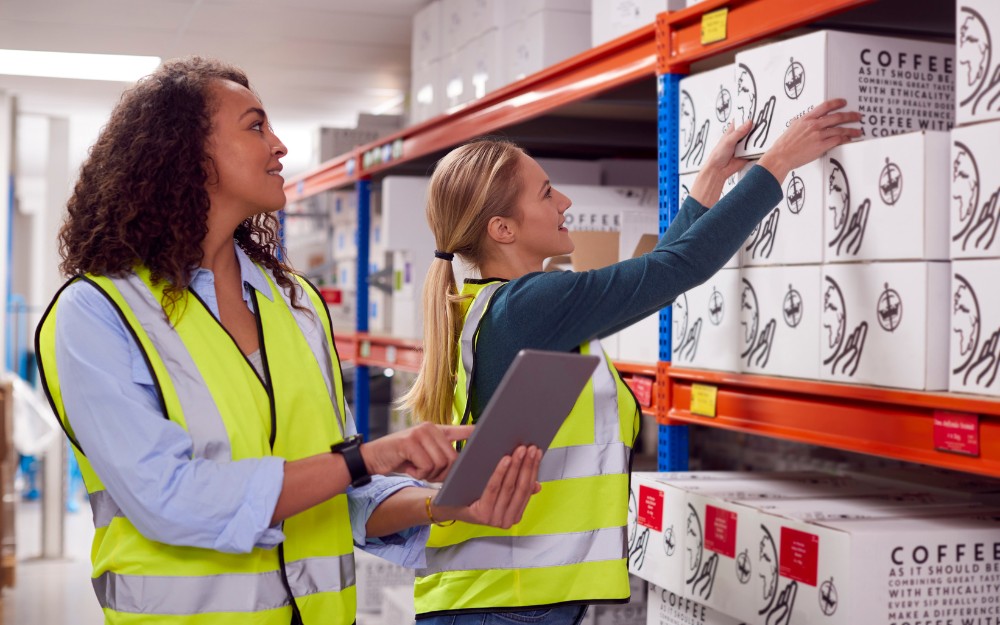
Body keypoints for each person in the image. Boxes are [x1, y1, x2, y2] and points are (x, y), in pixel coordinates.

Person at [34, 56, 543, 625]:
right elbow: (169, 499)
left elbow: (338, 497)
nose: (278, 146)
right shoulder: (99, 314)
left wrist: (443, 504)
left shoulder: (296, 304)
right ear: (183, 154)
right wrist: (364, 458)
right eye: (255, 127)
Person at [400, 99, 863, 624]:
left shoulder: (502, 308)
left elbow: (654, 280)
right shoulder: (532, 306)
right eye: (547, 193)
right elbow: (674, 270)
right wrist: (776, 164)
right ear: (502, 229)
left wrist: (705, 186)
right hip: (505, 605)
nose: (565, 202)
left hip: (502, 598)